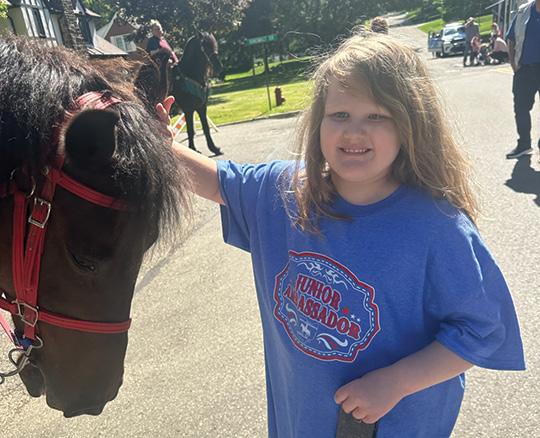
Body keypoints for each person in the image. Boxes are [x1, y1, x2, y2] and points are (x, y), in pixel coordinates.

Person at [158, 34, 525, 437]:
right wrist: (160, 145)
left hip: (395, 425)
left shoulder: (436, 227)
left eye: (377, 116)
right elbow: (216, 182)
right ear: (319, 121)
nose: (354, 132)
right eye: (340, 115)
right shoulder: (285, 194)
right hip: (300, 421)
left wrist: (396, 382)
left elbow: (482, 329)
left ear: (411, 124)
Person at [505, 0, 540, 159]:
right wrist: (513, 63)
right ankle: (524, 144)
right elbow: (511, 38)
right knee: (520, 108)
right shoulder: (523, 11)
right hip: (524, 69)